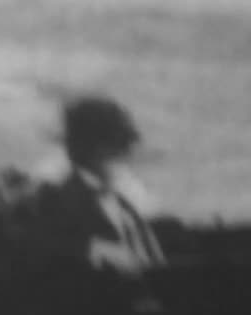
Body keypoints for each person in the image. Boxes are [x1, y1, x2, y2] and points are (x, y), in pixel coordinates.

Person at [33, 96, 165, 276]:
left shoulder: (122, 204)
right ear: (99, 150)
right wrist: (92, 251)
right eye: (120, 147)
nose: (127, 157)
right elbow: (53, 264)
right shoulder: (56, 201)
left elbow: (150, 263)